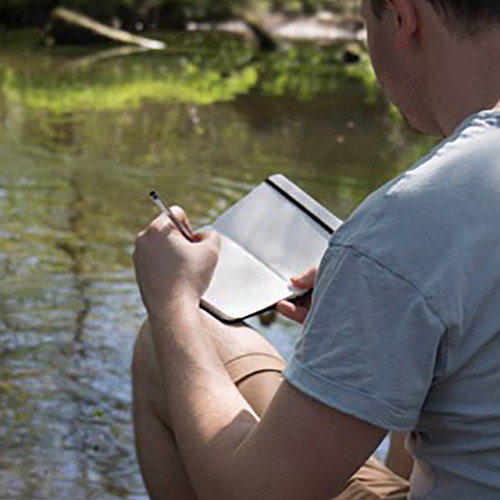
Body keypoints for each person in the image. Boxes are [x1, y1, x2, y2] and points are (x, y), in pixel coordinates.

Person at [132, 0, 500, 498]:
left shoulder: (420, 213)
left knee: (166, 345)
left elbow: (251, 492)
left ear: (400, 17)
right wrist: (383, 321)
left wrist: (171, 301)